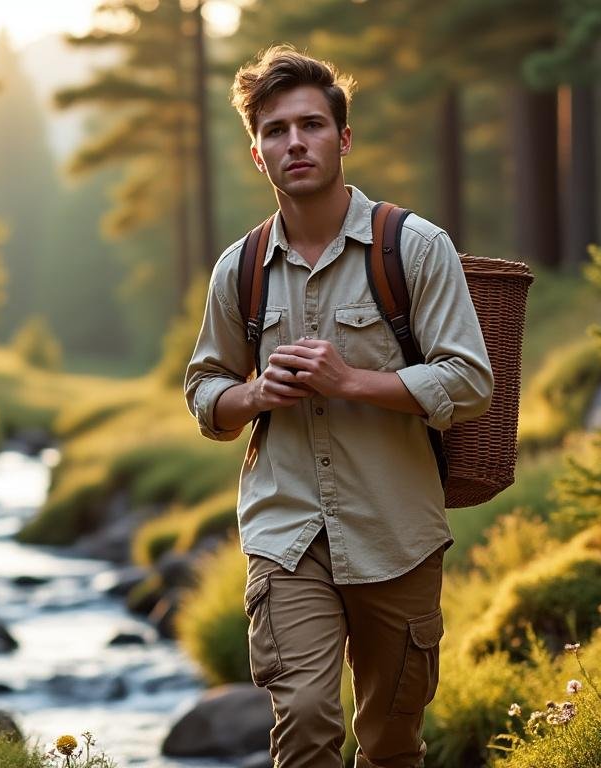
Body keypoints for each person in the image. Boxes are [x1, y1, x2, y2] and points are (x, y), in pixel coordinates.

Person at [183, 45, 493, 768]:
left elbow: (471, 381)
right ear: (257, 154)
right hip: (284, 533)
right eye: (275, 130)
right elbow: (203, 390)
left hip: (397, 532)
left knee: (390, 742)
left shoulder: (414, 247)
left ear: (343, 138)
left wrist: (352, 381)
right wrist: (254, 393)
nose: (295, 141)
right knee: (308, 722)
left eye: (312, 125)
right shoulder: (238, 269)